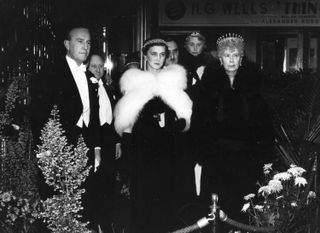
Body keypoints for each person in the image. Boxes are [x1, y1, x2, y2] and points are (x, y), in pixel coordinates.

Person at [113, 38, 193, 233]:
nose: (158, 58)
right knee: (142, 204)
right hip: (143, 152)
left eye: (162, 54)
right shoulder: (134, 81)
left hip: (167, 152)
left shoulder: (174, 81)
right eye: (154, 54)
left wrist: (176, 123)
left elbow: (184, 119)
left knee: (166, 204)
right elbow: (127, 122)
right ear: (145, 55)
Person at [196, 33, 274, 231]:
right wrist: (203, 152)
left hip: (245, 160)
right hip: (216, 159)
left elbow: (264, 126)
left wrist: (262, 155)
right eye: (227, 55)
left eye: (236, 55)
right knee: (215, 209)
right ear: (220, 59)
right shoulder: (207, 87)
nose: (231, 59)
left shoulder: (254, 88)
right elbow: (199, 123)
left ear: (241, 59)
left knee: (244, 208)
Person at [30, 24, 101, 231]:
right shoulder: (51, 72)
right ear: (67, 44)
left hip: (84, 149)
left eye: (88, 43)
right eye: (80, 41)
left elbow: (93, 117)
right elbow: (38, 115)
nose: (85, 47)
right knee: (57, 206)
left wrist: (96, 148)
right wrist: (46, 150)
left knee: (82, 204)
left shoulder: (89, 77)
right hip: (57, 150)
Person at [87, 53, 121, 232]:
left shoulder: (107, 88)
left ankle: (106, 224)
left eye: (101, 66)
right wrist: (96, 148)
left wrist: (117, 142)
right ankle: (96, 224)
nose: (98, 70)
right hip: (95, 142)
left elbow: (113, 116)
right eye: (94, 66)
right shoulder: (87, 88)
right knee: (96, 186)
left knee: (108, 185)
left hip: (108, 141)